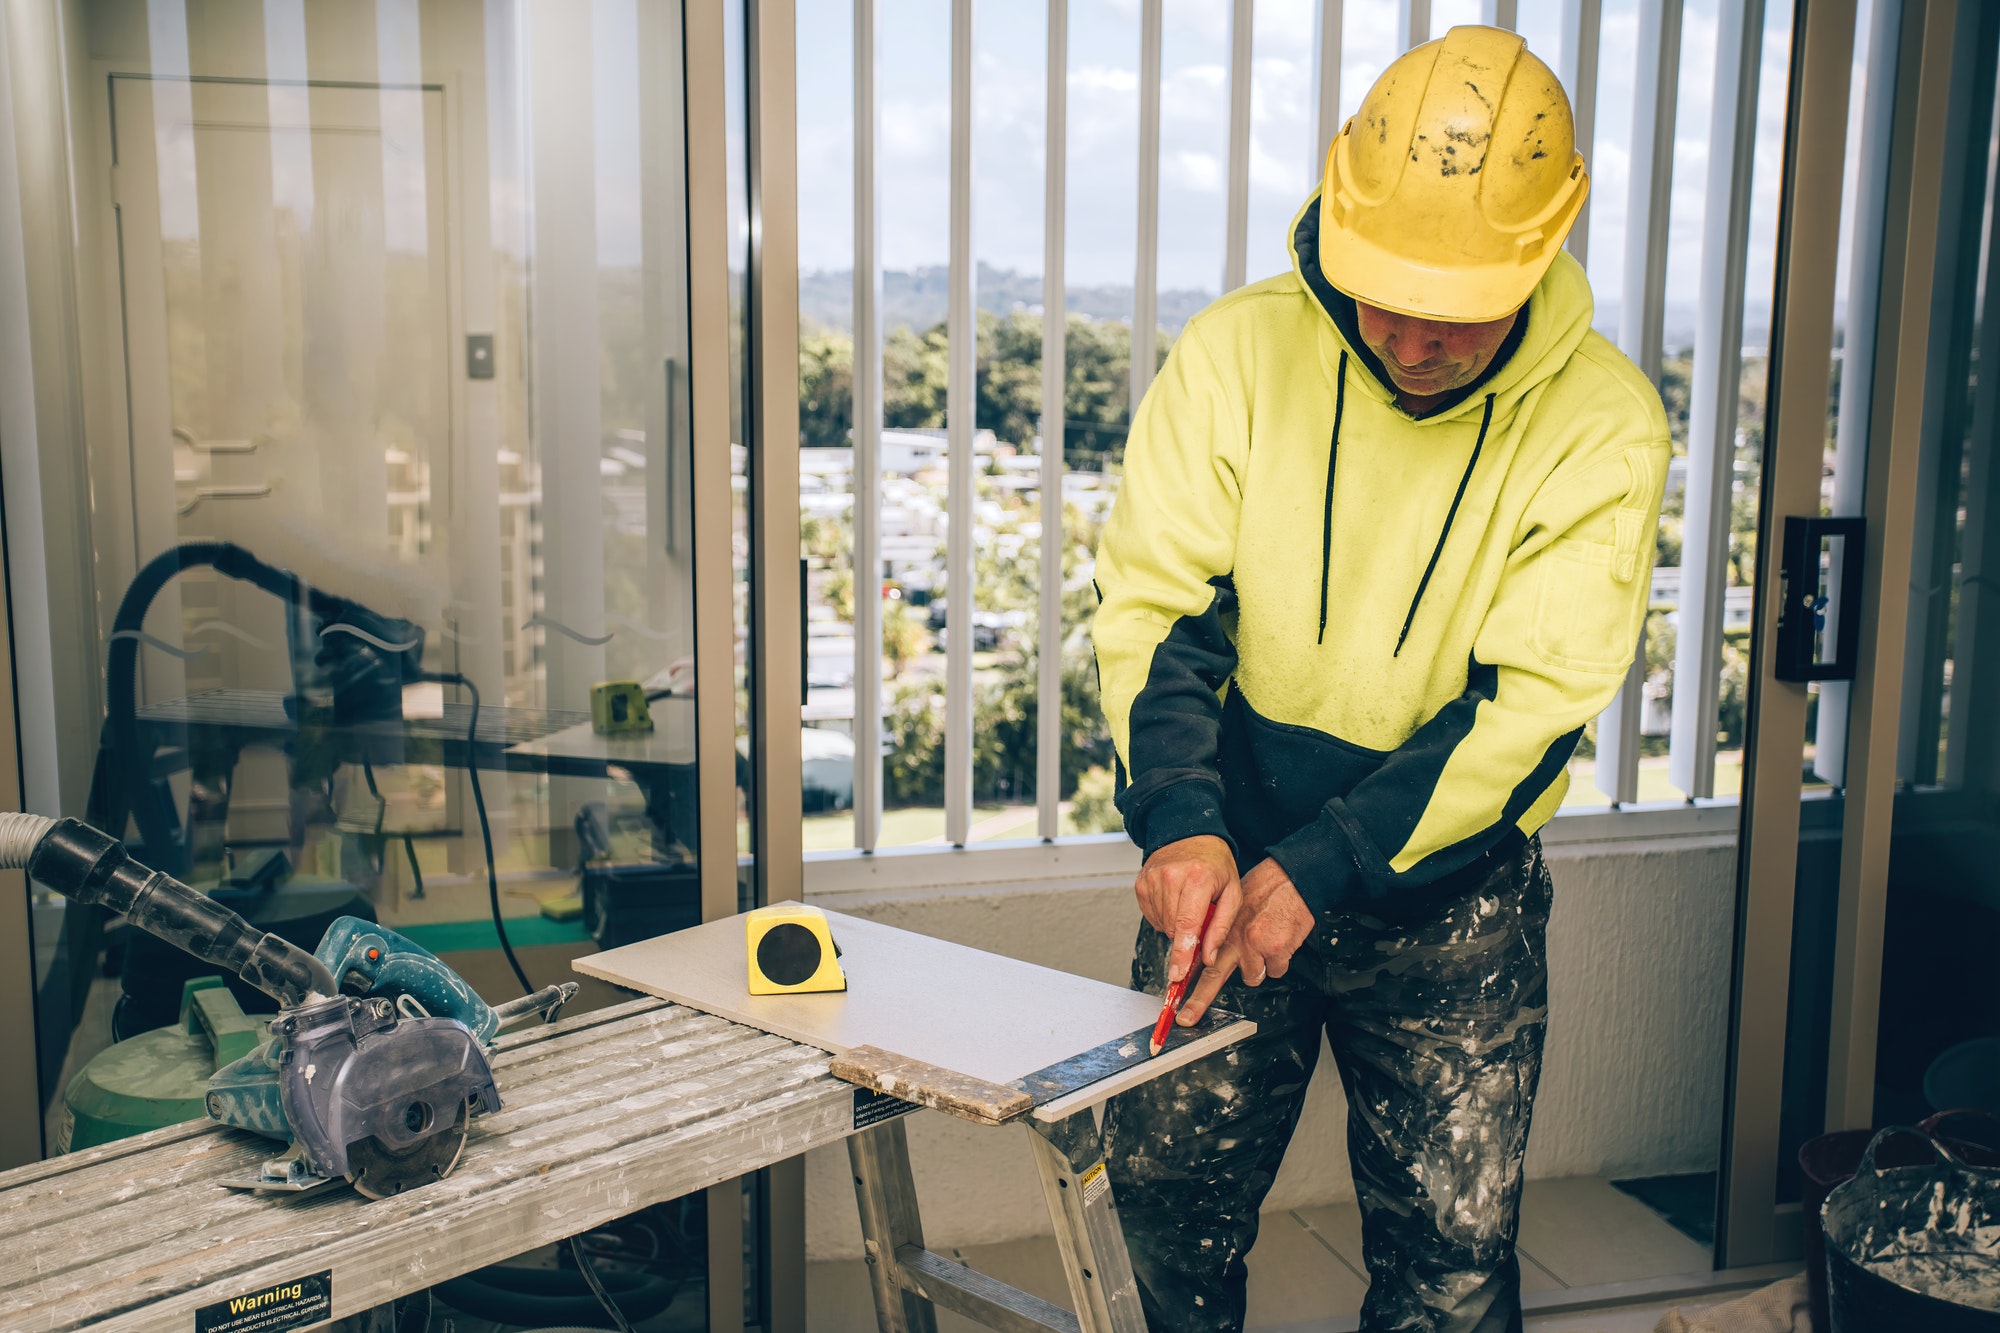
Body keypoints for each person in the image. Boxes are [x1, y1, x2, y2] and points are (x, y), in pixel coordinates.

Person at [1091, 25, 1672, 1333]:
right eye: (1380, 290)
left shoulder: (1606, 425)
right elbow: (1159, 607)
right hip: (1227, 867)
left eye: (1454, 307)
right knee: (1166, 1207)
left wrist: (1334, 861)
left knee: (1450, 1265)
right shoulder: (1239, 355)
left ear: (1547, 245)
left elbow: (1529, 710)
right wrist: (1183, 820)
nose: (1410, 337)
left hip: (1451, 908)